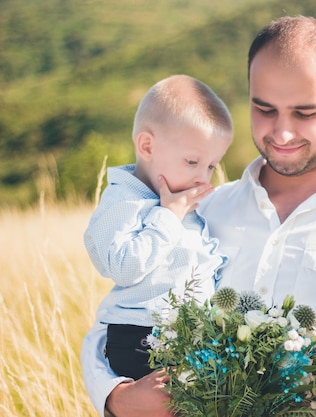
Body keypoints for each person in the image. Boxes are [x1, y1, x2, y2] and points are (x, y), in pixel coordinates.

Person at [80, 16, 316, 417]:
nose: (282, 133)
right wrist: (117, 397)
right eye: (265, 109)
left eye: (305, 112)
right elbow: (126, 316)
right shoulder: (201, 210)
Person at [83, 74, 233, 381]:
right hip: (141, 339)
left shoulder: (180, 200)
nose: (203, 177)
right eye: (192, 161)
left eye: (211, 166)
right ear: (147, 146)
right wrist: (167, 217)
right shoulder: (125, 201)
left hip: (187, 336)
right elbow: (122, 267)